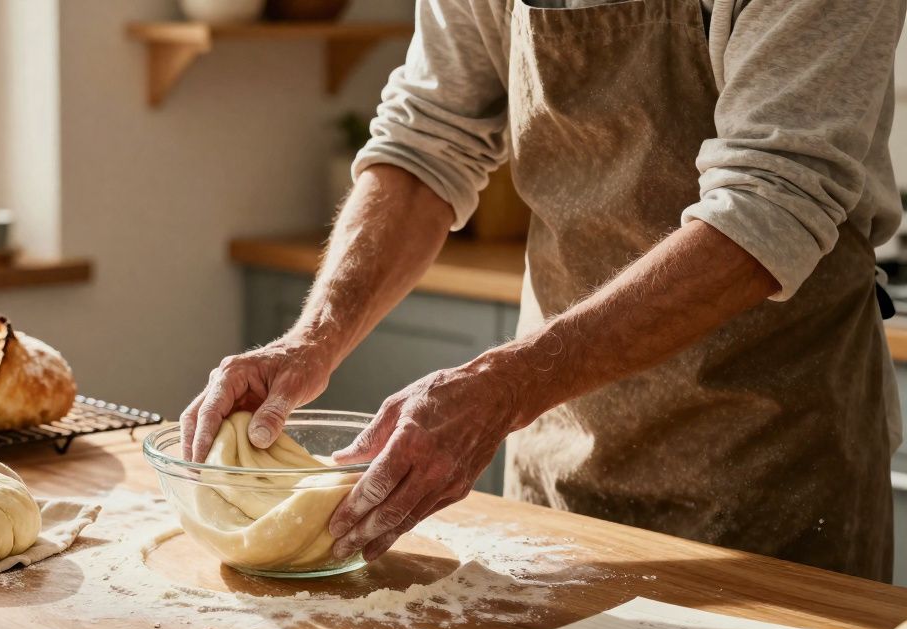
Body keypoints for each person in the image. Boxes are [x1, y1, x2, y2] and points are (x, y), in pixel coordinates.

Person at [181, 0, 906, 582]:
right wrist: (313, 336)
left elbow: (770, 206)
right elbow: (425, 142)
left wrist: (505, 383)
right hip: (559, 451)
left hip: (769, 467)